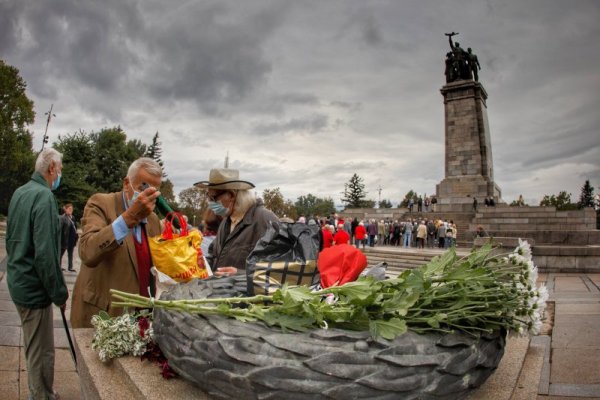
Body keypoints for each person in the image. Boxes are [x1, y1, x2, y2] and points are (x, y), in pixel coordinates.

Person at [70, 157, 163, 328]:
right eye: (143, 187)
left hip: (140, 321)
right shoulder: (100, 203)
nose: (148, 196)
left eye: (155, 191)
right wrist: (129, 218)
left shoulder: (154, 220)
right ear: (127, 184)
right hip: (103, 317)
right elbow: (87, 251)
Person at [6, 148, 68, 400]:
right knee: (41, 351)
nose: (60, 174)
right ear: (52, 168)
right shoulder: (43, 196)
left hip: (19, 281)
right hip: (33, 288)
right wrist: (60, 294)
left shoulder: (20, 192)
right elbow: (46, 255)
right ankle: (41, 395)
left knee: (34, 347)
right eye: (60, 169)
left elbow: (13, 240)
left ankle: (41, 392)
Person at [195, 168, 279, 276]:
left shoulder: (265, 220)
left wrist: (240, 274)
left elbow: (279, 270)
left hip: (246, 292)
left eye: (214, 198)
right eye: (208, 197)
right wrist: (200, 263)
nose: (210, 203)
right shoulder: (226, 221)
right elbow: (214, 255)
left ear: (232, 195)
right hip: (222, 290)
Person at [60, 203, 79, 272]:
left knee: (70, 254)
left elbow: (75, 228)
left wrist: (76, 238)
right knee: (61, 254)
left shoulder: (72, 217)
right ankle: (59, 266)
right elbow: (60, 229)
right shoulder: (63, 218)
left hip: (71, 239)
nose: (71, 210)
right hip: (64, 239)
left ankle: (70, 267)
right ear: (66, 209)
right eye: (69, 209)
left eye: (72, 209)